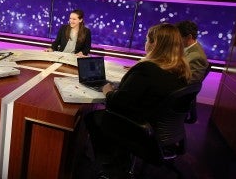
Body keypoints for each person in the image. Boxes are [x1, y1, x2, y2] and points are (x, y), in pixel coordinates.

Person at [82, 23, 191, 177]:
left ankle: (109, 165)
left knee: (93, 117)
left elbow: (117, 103)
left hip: (141, 130)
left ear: (155, 44)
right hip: (161, 130)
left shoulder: (147, 69)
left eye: (147, 40)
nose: (145, 43)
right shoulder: (181, 70)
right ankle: (119, 159)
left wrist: (107, 91)